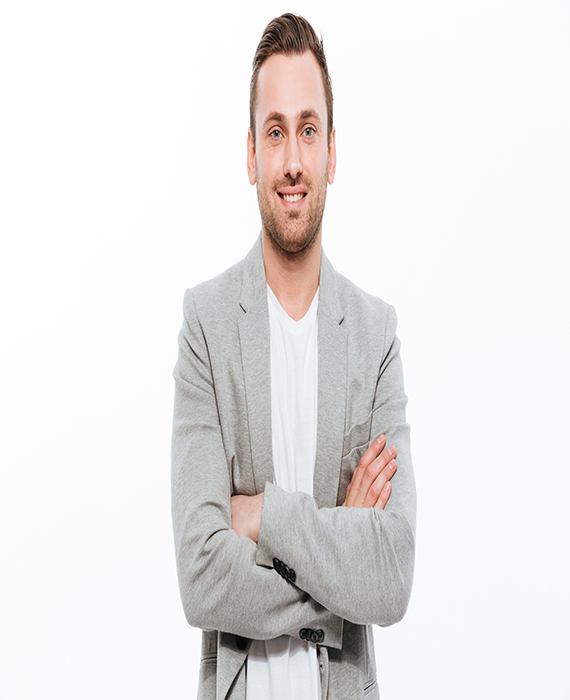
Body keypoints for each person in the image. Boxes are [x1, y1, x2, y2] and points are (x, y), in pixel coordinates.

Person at [171, 13, 416, 700]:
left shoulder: (375, 336)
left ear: (333, 152)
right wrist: (340, 562)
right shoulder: (206, 326)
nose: (292, 163)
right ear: (251, 153)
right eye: (275, 132)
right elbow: (200, 577)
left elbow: (392, 576)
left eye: (308, 130)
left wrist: (262, 517)